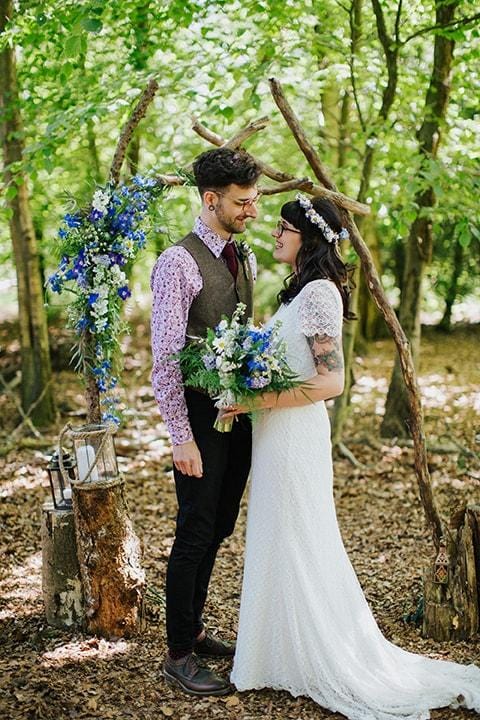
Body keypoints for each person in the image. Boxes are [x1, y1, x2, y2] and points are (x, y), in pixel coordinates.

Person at [225, 194, 480, 718]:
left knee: (299, 537)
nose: (274, 234)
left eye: (283, 228)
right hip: (277, 434)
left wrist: (255, 399)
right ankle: (276, 656)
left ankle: (317, 656)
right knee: (280, 536)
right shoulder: (299, 294)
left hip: (295, 436)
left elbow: (331, 381)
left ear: (308, 238)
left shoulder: (319, 294)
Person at [150, 147, 261, 696]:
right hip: (197, 415)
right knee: (194, 530)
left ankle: (193, 629)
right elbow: (166, 358)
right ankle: (178, 654)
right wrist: (181, 437)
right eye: (243, 203)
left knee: (219, 526)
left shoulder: (247, 256)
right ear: (210, 199)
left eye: (256, 199)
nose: (253, 211)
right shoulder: (178, 262)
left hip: (236, 416)